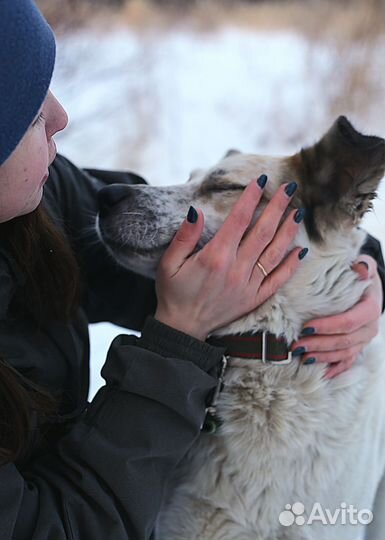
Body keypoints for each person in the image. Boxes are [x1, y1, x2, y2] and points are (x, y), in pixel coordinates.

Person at [0, 1, 383, 539]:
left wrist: (361, 271)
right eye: (30, 111)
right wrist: (175, 344)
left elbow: (123, 226)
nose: (63, 116)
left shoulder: (35, 202)